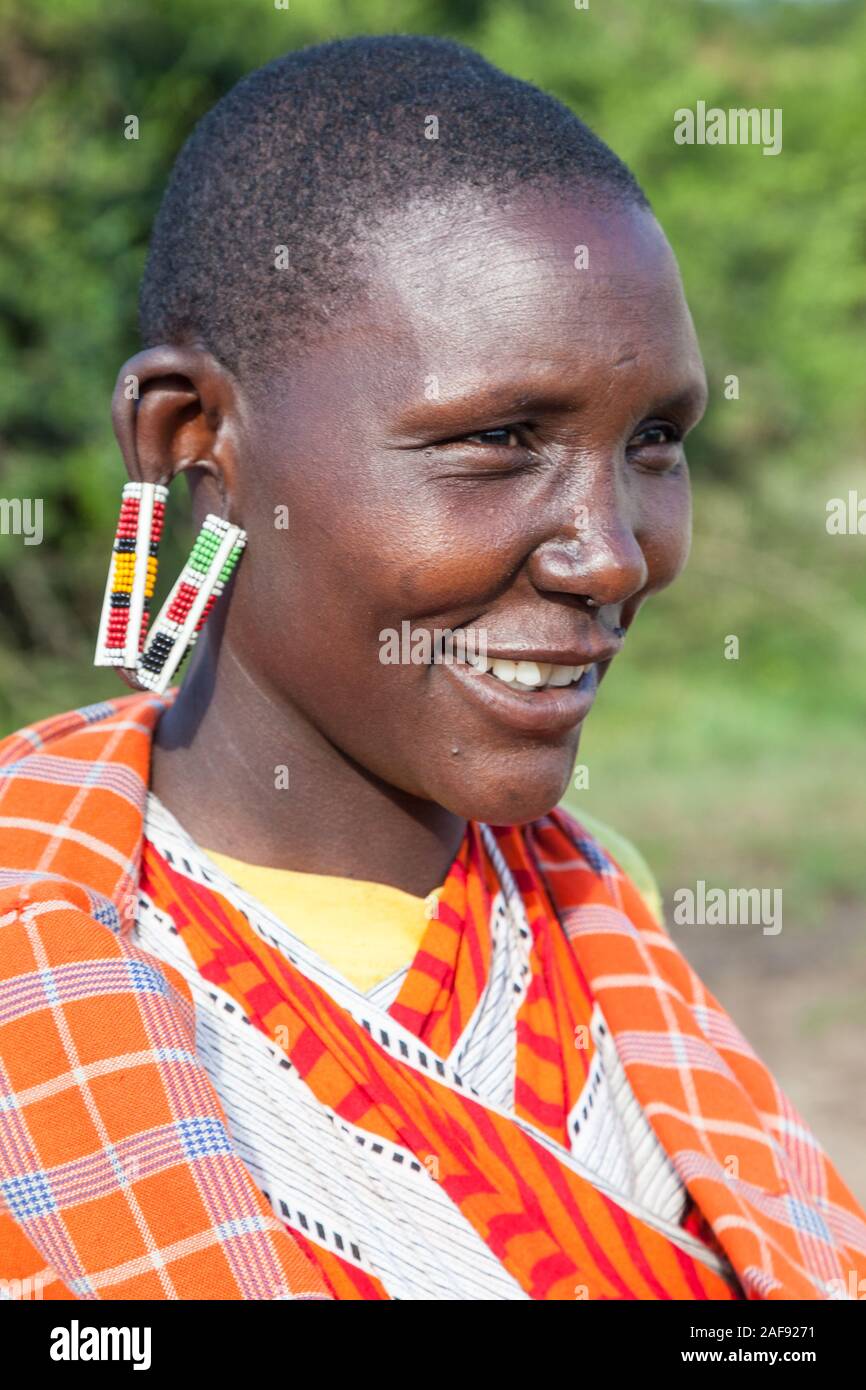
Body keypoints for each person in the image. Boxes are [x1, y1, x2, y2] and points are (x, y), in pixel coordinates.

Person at [0, 34, 862, 1302]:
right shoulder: (42, 965)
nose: (612, 557)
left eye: (655, 440)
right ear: (194, 439)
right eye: (500, 438)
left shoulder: (595, 897)